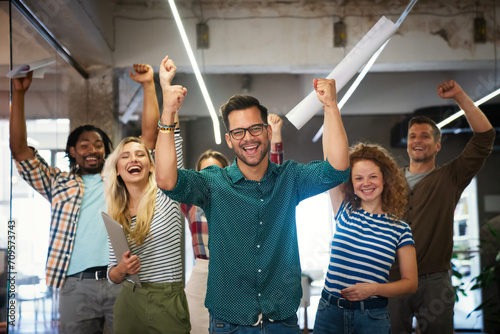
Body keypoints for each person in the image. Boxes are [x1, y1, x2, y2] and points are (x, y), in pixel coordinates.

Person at [155, 67, 350, 331]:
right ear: (229, 139)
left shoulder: (290, 178)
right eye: (238, 132)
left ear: (269, 131)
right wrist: (167, 113)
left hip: (282, 321)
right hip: (230, 323)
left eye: (255, 128)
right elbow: (167, 180)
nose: (248, 138)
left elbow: (337, 169)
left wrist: (330, 106)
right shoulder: (213, 183)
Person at [9, 61, 161, 333]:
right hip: (75, 284)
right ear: (72, 151)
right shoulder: (58, 182)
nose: (92, 149)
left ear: (107, 151)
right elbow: (20, 151)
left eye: (99, 144)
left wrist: (149, 85)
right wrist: (18, 94)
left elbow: (149, 140)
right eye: (84, 145)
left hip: (122, 278)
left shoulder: (120, 178)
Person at [388, 80, 496, 334]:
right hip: (392, 278)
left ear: (437, 145)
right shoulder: (388, 180)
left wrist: (459, 96)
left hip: (434, 281)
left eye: (425, 136)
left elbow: (485, 138)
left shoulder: (451, 177)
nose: (418, 140)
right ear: (407, 144)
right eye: (413, 136)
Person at [182, 114, 284, 334]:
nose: (210, 177)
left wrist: (275, 136)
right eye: (204, 172)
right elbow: (170, 175)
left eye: (216, 171)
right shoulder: (190, 202)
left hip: (232, 272)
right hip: (202, 272)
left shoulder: (237, 197)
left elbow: (272, 178)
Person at [313, 143, 418, 334]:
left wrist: (373, 289)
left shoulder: (400, 229)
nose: (366, 183)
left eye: (373, 176)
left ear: (385, 179)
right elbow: (331, 158)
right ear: (350, 183)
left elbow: (410, 283)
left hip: (371, 318)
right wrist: (330, 111)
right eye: (358, 178)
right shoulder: (344, 210)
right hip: (329, 313)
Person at [103, 133, 190, 333]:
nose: (133, 159)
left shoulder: (167, 194)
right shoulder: (116, 213)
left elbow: (174, 150)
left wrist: (170, 109)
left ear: (151, 166)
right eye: (125, 156)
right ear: (117, 170)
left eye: (140, 154)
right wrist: (122, 268)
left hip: (167, 300)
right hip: (129, 301)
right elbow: (113, 274)